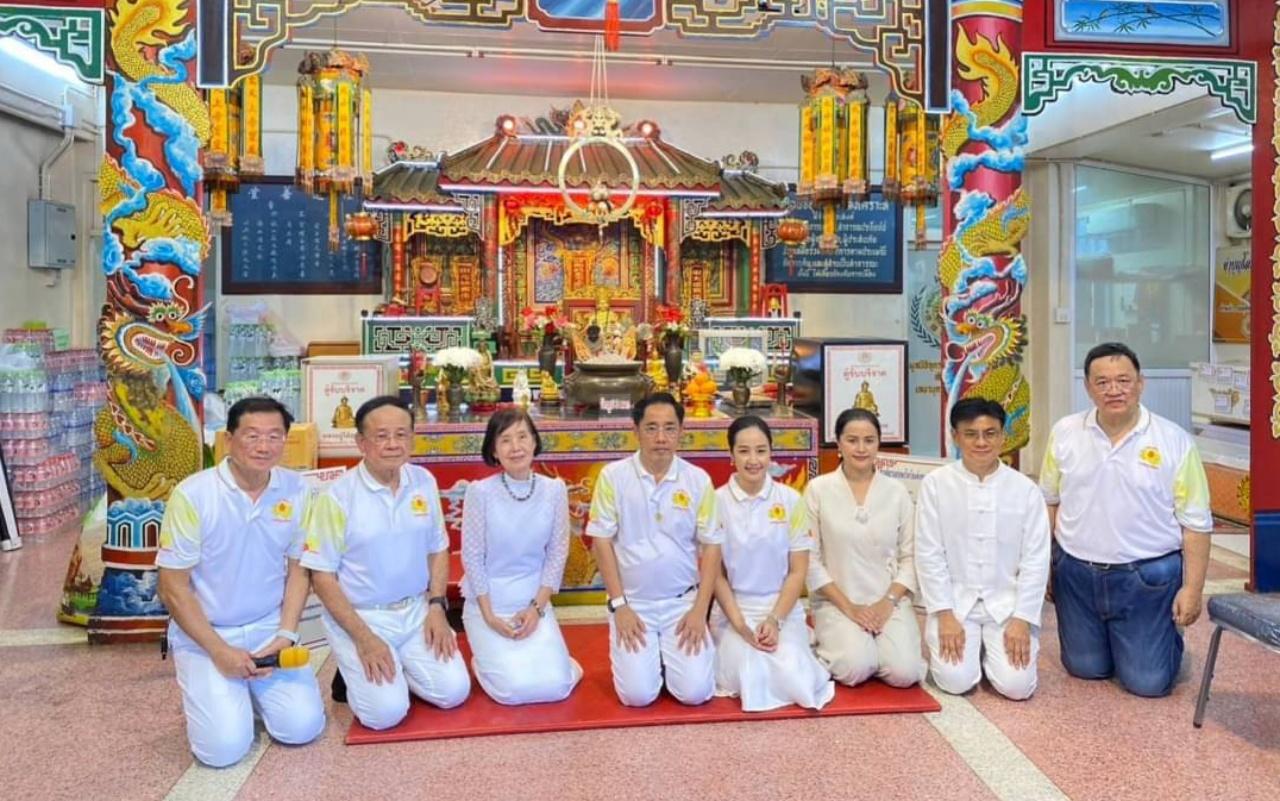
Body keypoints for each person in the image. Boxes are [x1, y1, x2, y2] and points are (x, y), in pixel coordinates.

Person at [156, 397, 324, 767]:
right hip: (207, 635)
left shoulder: (297, 489)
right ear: (229, 439)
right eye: (252, 436)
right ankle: (228, 692)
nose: (264, 446)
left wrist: (287, 633)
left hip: (269, 628)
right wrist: (219, 650)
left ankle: (251, 695)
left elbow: (299, 568)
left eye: (274, 436)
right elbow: (172, 587)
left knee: (302, 728)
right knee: (223, 751)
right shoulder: (193, 495)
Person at [1040, 342, 1213, 698]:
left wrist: (1192, 590)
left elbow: (1196, 523)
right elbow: (1049, 503)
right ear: (1088, 387)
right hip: (1077, 572)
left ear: (1140, 383)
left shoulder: (1174, 441)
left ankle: (1161, 639)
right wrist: (1047, 568)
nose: (1114, 390)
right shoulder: (1065, 433)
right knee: (1085, 668)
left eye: (1123, 380)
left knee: (1147, 683)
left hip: (1147, 576)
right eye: (1102, 382)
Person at [303, 396, 470, 730]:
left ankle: (399, 664)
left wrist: (437, 606)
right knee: (384, 715)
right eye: (381, 436)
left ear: (412, 438)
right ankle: (360, 670)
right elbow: (321, 577)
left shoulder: (423, 481)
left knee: (454, 692)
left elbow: (438, 548)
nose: (393, 444)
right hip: (362, 615)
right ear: (361, 443)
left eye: (401, 434)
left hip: (416, 609)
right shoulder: (337, 496)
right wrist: (364, 638)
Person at [587, 392, 721, 706]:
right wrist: (619, 605)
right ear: (635, 431)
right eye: (651, 428)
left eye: (669, 428)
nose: (661, 438)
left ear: (681, 432)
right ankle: (652, 658)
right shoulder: (613, 477)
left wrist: (699, 610)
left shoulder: (698, 480)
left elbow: (712, 547)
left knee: (695, 693)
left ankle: (665, 657)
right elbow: (601, 541)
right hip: (633, 603)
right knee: (637, 696)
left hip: (682, 603)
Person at [915, 398, 1050, 700]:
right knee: (955, 681)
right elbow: (929, 553)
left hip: (1006, 604)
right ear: (955, 436)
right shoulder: (936, 484)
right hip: (955, 602)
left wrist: (1023, 619)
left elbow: (1036, 560)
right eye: (971, 434)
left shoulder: (1025, 490)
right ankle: (973, 651)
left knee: (1017, 687)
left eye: (990, 433)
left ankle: (990, 650)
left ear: (1003, 436)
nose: (981, 442)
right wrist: (944, 614)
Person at [711, 416, 834, 711]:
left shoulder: (791, 500)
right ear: (731, 455)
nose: (753, 460)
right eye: (743, 451)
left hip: (781, 609)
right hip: (734, 611)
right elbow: (716, 575)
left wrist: (774, 620)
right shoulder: (715, 502)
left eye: (761, 450)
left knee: (793, 672)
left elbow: (797, 571)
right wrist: (741, 625)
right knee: (750, 668)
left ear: (771, 453)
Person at [460, 408, 582, 705]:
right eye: (505, 440)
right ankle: (483, 661)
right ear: (493, 450)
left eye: (522, 437)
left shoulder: (554, 489)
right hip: (489, 602)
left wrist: (537, 608)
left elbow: (558, 552)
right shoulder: (480, 492)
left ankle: (556, 659)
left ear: (534, 441)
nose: (515, 447)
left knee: (557, 687)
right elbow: (472, 557)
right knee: (512, 692)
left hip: (533, 602)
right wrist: (490, 616)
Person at [806, 408, 923, 688]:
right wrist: (850, 608)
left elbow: (910, 557)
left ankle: (877, 646)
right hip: (837, 600)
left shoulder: (896, 492)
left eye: (869, 440)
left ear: (878, 443)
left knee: (905, 673)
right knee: (855, 668)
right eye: (852, 440)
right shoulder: (818, 489)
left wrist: (887, 603)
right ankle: (844, 645)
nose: (861, 448)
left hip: (888, 600)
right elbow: (809, 559)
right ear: (838, 443)